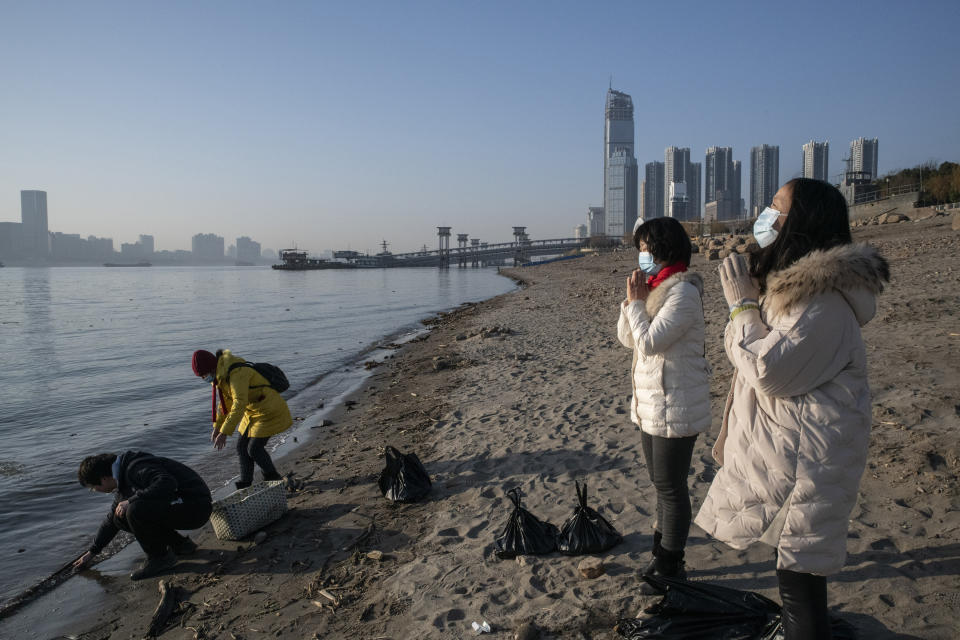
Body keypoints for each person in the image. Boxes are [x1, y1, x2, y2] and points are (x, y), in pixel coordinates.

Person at [695, 178, 890, 639]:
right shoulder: (794, 294)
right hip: (791, 452)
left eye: (776, 209)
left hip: (806, 461)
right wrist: (747, 310)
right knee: (795, 571)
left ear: (802, 223)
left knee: (799, 578)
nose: (766, 216)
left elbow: (767, 369)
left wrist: (742, 307)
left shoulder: (822, 303)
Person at [617, 216, 711, 594]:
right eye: (639, 250)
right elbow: (629, 339)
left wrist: (639, 305)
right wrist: (631, 303)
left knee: (672, 488)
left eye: (646, 249)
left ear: (665, 249)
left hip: (676, 404)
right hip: (651, 404)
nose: (641, 257)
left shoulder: (683, 293)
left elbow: (651, 342)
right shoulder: (654, 289)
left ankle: (671, 565)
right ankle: (662, 551)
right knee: (661, 484)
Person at [74, 451, 212, 580]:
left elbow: (167, 482)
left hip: (196, 506)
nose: (95, 490)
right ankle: (181, 545)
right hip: (180, 505)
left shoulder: (135, 467)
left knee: (135, 510)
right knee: (119, 517)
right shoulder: (122, 479)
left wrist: (131, 500)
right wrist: (92, 552)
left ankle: (159, 559)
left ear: (103, 479)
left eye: (93, 488)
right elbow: (111, 521)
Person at [191, 349, 292, 489]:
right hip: (252, 412)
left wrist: (225, 432)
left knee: (255, 449)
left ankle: (273, 478)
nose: (204, 379)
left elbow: (239, 404)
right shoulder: (220, 377)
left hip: (269, 411)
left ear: (212, 368)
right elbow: (225, 405)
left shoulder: (237, 374)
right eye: (201, 376)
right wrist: (217, 427)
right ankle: (245, 485)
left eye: (204, 375)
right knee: (241, 448)